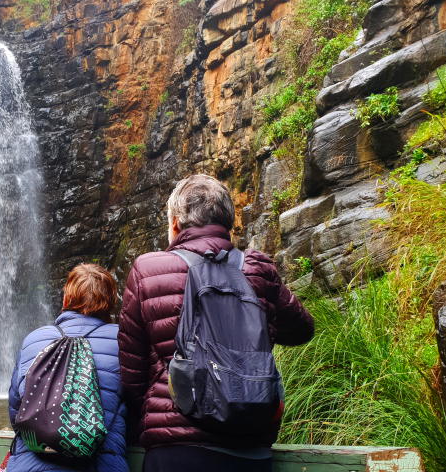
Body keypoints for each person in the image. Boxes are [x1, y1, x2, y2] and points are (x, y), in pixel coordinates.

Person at [117, 174, 314, 472]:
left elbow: (132, 376)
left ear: (174, 224)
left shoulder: (148, 269)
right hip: (250, 444)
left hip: (176, 447)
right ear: (229, 223)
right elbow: (302, 329)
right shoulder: (257, 268)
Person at [8, 263, 128, 472]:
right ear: (111, 302)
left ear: (66, 298)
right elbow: (137, 403)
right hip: (99, 463)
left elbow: (16, 409)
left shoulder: (34, 339)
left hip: (31, 464)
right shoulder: (122, 341)